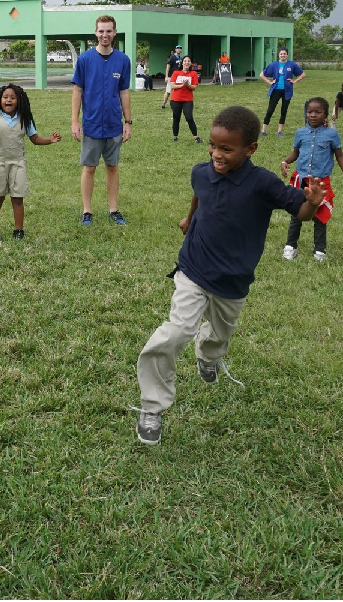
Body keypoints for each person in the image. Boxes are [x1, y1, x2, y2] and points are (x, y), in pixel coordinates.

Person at [134, 106, 326, 446]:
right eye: (212, 145)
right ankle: (152, 407)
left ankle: (208, 358)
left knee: (219, 337)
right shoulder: (200, 171)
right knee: (175, 331)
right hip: (193, 269)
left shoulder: (263, 183)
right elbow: (199, 195)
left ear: (250, 148)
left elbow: (302, 212)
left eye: (226, 149)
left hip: (233, 281)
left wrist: (311, 202)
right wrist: (188, 220)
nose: (216, 154)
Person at [0, 83, 61, 240]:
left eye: (13, 97)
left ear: (19, 100)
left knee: (17, 198)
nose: (9, 100)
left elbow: (35, 139)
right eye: (5, 97)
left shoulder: (24, 119)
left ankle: (18, 230)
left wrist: (50, 140)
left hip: (18, 163)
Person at [71, 14, 133, 227]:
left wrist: (128, 121)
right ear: (95, 33)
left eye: (108, 31)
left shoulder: (123, 60)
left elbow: (124, 91)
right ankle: (87, 211)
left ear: (114, 32)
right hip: (92, 124)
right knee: (89, 168)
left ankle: (113, 210)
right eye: (101, 31)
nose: (104, 35)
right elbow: (77, 90)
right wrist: (75, 121)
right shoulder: (85, 60)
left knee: (112, 167)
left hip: (114, 125)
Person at [280, 97, 343, 262]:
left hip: (321, 183)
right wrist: (285, 161)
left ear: (325, 114)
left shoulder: (331, 135)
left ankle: (320, 250)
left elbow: (340, 156)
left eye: (318, 112)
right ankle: (291, 246)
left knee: (320, 216)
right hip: (302, 181)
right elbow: (296, 153)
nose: (313, 115)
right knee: (297, 213)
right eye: (310, 112)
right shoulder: (301, 133)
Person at [259, 47, 305, 137]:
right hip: (276, 90)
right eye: (281, 54)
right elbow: (262, 74)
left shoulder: (292, 65)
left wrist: (294, 81)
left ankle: (279, 131)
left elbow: (303, 74)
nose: (283, 55)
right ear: (278, 55)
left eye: (284, 54)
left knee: (283, 111)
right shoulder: (274, 65)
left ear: (287, 55)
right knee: (270, 110)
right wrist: (270, 82)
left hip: (287, 91)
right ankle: (263, 131)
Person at [169, 56, 203, 144]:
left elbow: (194, 87)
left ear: (190, 63)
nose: (186, 62)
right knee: (176, 118)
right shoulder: (176, 73)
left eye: (188, 61)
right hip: (176, 99)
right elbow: (172, 86)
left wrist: (188, 85)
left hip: (188, 99)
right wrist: (181, 85)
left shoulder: (193, 74)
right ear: (182, 63)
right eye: (185, 61)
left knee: (189, 117)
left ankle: (196, 137)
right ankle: (175, 136)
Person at [161, 45, 183, 109]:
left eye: (180, 48)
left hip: (178, 77)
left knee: (177, 91)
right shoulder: (172, 57)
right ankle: (163, 103)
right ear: (175, 50)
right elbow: (167, 68)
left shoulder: (181, 58)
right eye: (178, 48)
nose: (179, 49)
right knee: (168, 91)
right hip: (172, 77)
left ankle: (176, 103)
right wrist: (166, 76)